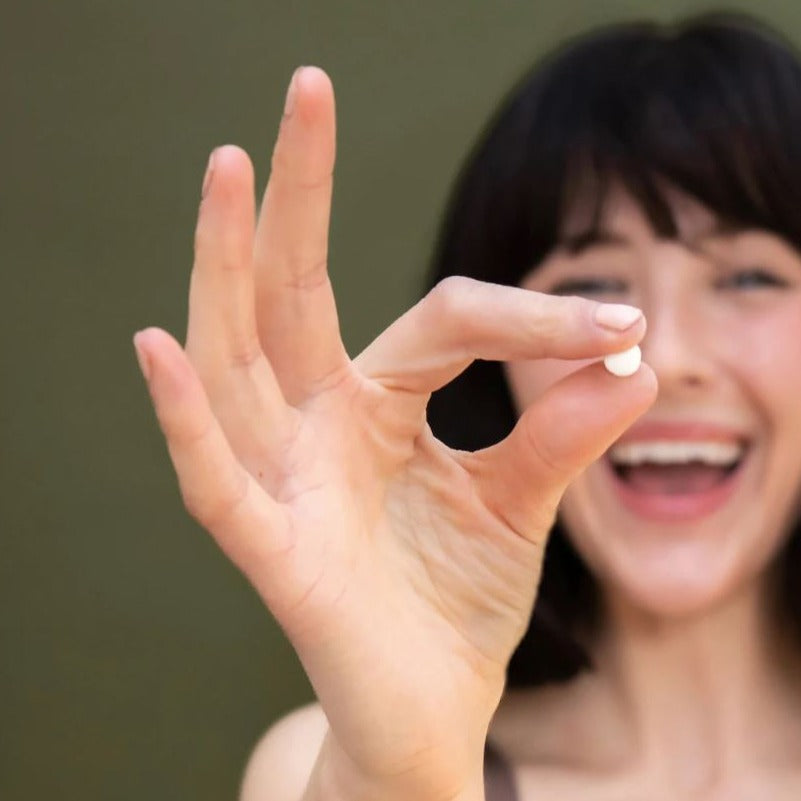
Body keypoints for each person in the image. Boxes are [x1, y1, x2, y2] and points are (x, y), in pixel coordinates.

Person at [133, 11, 801, 800]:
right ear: (499, 359)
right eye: (592, 281)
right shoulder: (323, 769)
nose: (669, 356)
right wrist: (402, 780)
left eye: (749, 278)